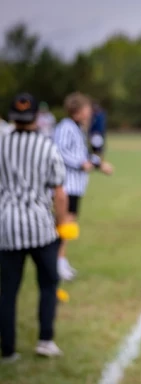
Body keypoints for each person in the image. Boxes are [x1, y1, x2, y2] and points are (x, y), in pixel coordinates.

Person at [0, 93, 70, 361]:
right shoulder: (46, 146)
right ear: (35, 119)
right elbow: (59, 192)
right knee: (48, 284)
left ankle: (7, 349)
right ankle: (45, 339)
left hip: (7, 225)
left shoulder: (2, 144)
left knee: (8, 290)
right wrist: (61, 222)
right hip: (40, 225)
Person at [52, 92, 113, 280]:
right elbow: (60, 151)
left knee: (69, 224)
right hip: (66, 185)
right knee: (64, 224)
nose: (90, 112)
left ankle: (61, 261)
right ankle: (57, 263)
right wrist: (81, 163)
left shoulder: (78, 128)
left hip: (76, 186)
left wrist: (98, 164)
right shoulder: (66, 127)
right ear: (77, 111)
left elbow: (83, 153)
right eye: (86, 108)